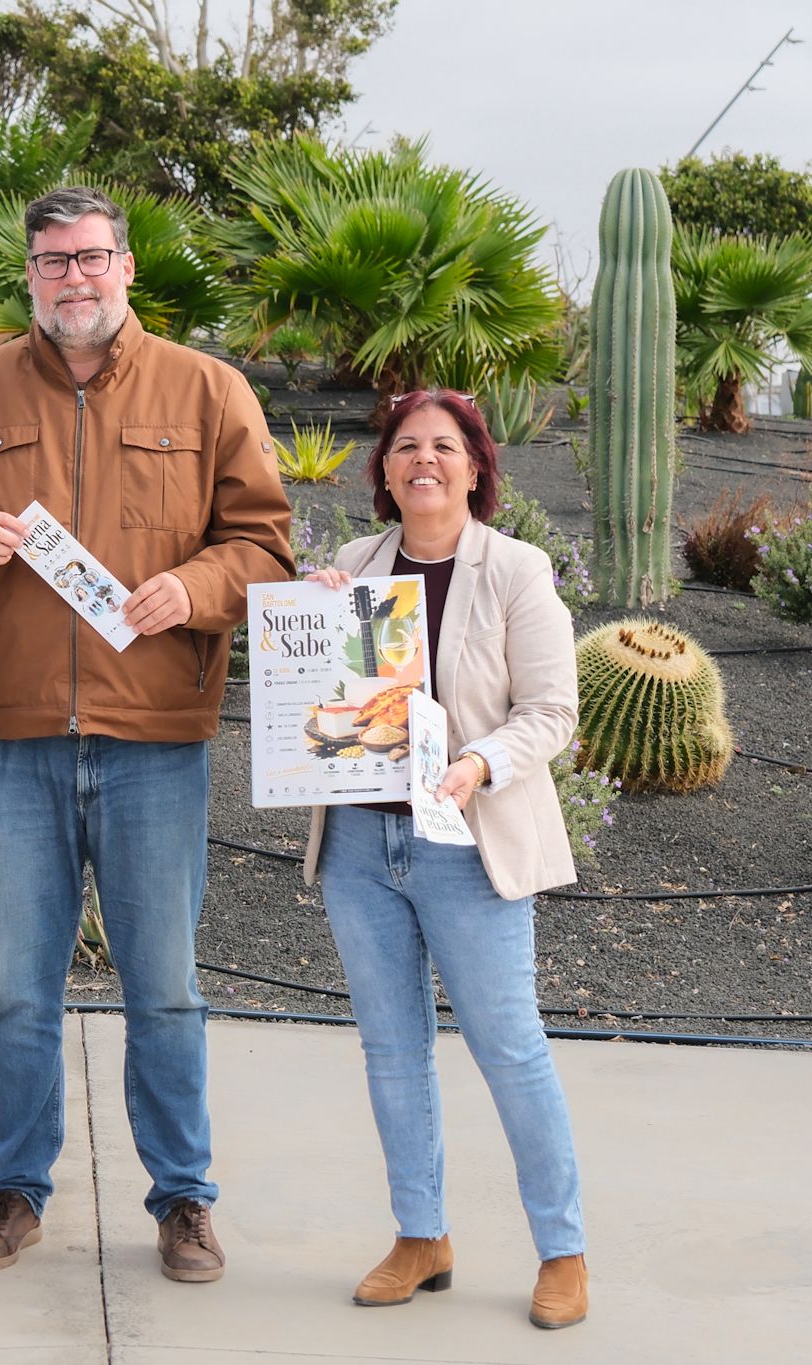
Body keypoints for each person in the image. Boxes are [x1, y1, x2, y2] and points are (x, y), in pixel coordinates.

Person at [0, 186, 293, 1283]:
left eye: (92, 257)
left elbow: (263, 544)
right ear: (28, 275)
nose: (74, 276)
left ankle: (183, 1200)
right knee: (18, 986)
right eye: (53, 261)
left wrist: (194, 587)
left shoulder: (207, 391)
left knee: (163, 985)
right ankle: (13, 1190)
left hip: (153, 736)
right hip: (12, 740)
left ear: (125, 267)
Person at [301, 387, 588, 1328]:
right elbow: (324, 695)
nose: (424, 459)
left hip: (467, 845)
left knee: (509, 1049)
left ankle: (563, 1250)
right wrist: (305, 623)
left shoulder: (515, 569)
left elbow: (550, 712)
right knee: (393, 1049)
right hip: (360, 843)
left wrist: (476, 764)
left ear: (475, 466)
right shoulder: (351, 565)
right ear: (383, 472)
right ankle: (420, 1235)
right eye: (405, 447)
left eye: (444, 445)